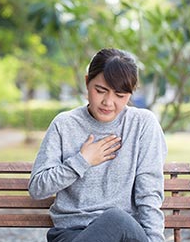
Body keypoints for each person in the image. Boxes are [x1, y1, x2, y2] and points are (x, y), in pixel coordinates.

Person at [28, 48, 167, 242]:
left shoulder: (143, 124)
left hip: (124, 236)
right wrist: (81, 161)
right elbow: (37, 188)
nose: (108, 102)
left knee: (117, 219)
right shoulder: (65, 124)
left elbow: (149, 194)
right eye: (100, 90)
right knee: (115, 218)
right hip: (72, 234)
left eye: (120, 95)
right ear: (87, 82)